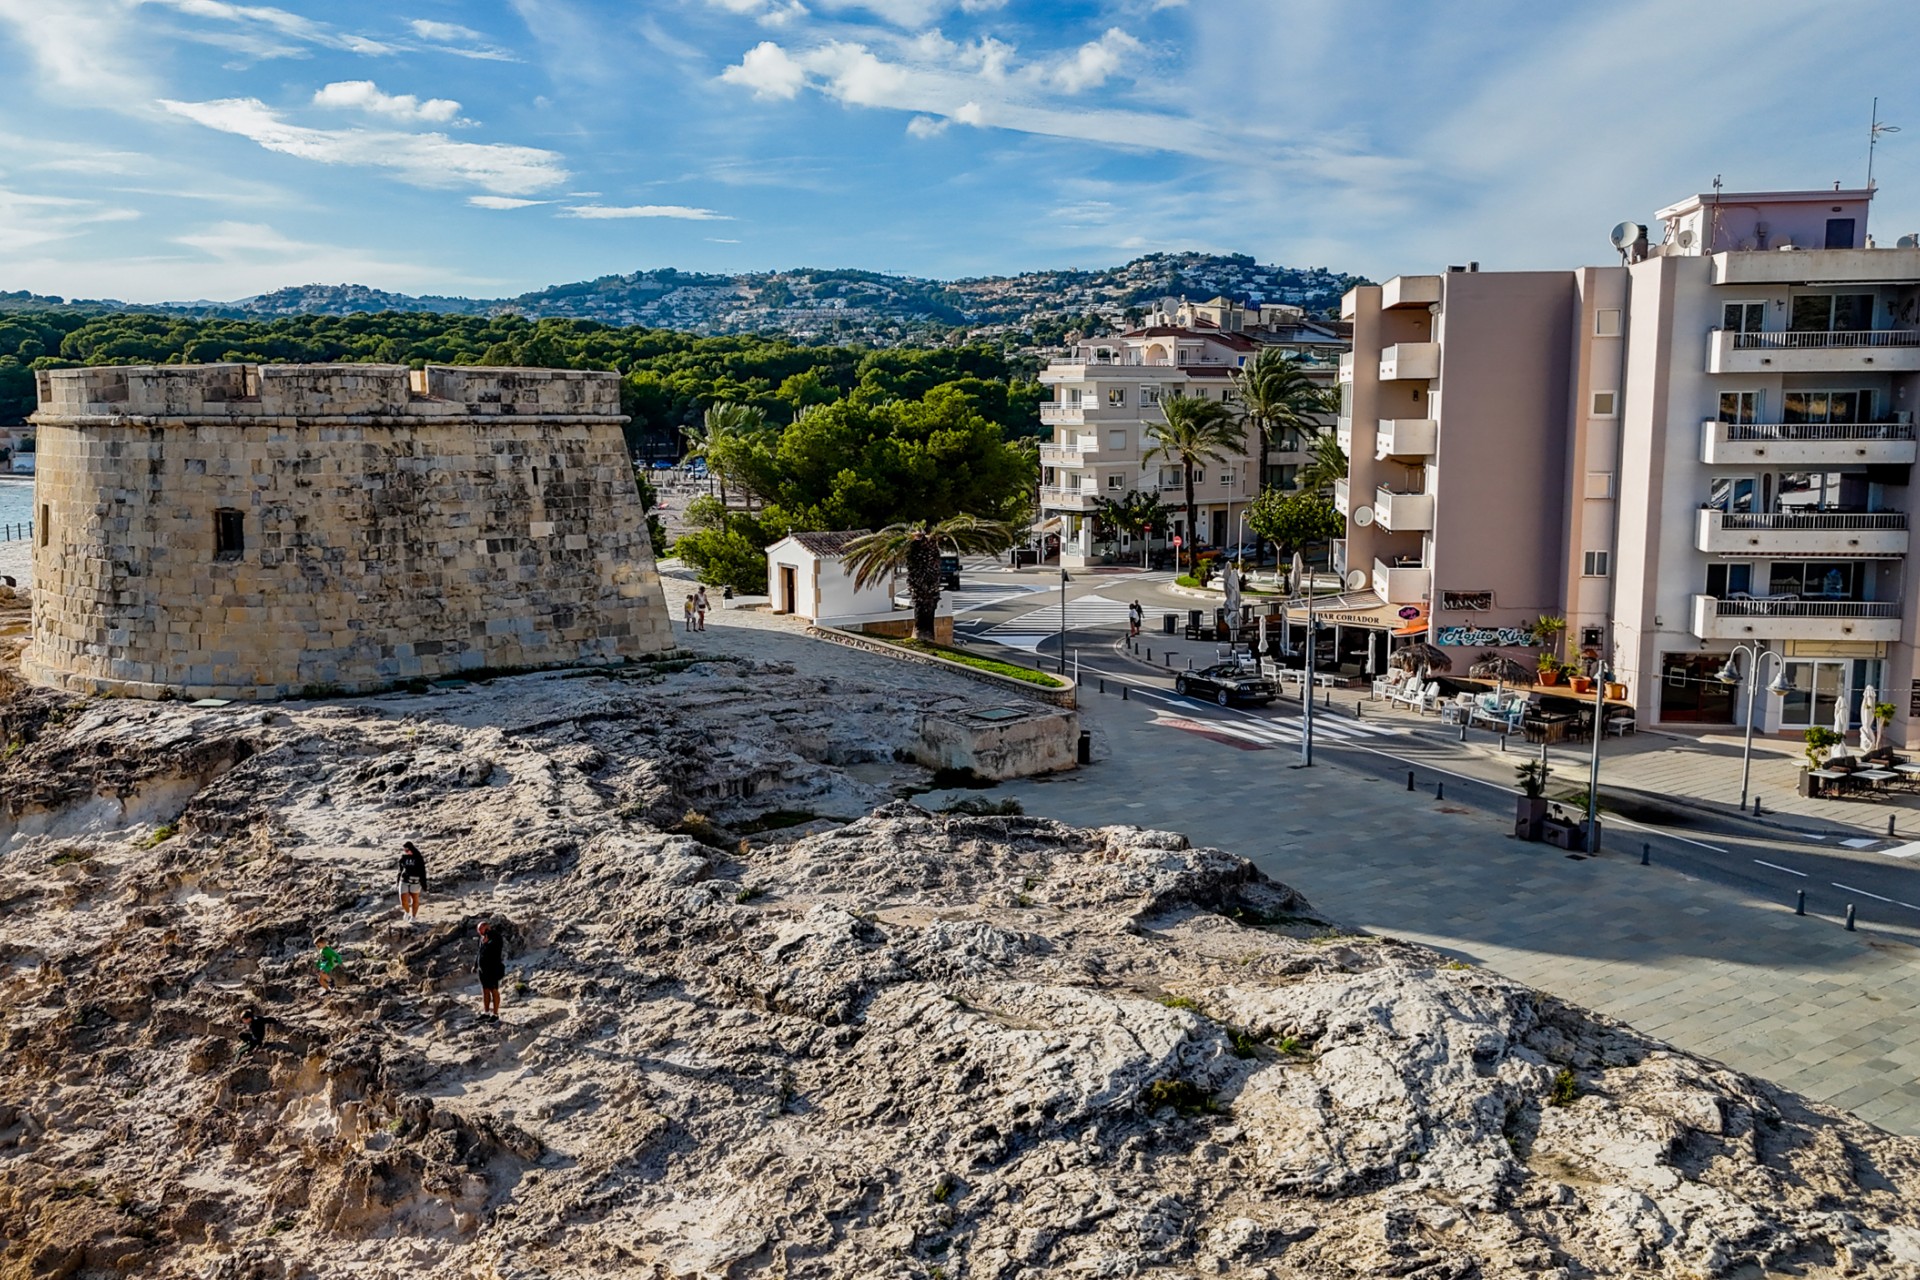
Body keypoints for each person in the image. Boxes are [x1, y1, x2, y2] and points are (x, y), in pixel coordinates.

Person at [477, 921, 505, 1021]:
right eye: (479, 931)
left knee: (494, 990)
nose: (480, 933)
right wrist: (476, 965)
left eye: (481, 930)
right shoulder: (482, 938)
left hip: (493, 968)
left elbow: (495, 949)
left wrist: (486, 942)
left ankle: (495, 1014)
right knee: (485, 990)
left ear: (487, 927)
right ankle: (486, 1012)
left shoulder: (496, 937)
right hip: (482, 969)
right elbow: (480, 952)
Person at [397, 840, 427, 922]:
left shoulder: (418, 858)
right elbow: (400, 870)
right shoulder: (403, 858)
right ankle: (407, 912)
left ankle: (413, 916)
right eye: (405, 850)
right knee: (403, 901)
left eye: (407, 850)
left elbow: (423, 871)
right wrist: (397, 881)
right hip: (404, 880)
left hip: (416, 881)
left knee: (415, 899)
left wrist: (424, 884)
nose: (406, 852)